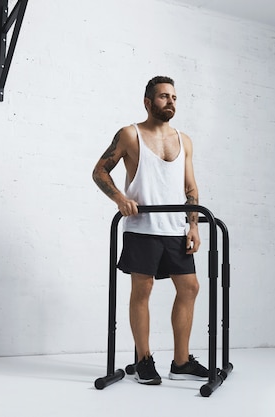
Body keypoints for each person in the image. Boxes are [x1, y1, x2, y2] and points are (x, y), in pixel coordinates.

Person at [92, 76, 208, 385]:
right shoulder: (130, 135)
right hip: (143, 228)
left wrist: (193, 225)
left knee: (190, 288)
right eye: (163, 97)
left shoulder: (185, 140)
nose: (170, 101)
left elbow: (190, 186)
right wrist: (119, 198)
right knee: (142, 291)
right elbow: (100, 170)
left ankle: (181, 363)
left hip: (175, 228)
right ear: (148, 102)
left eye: (173, 97)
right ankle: (143, 360)